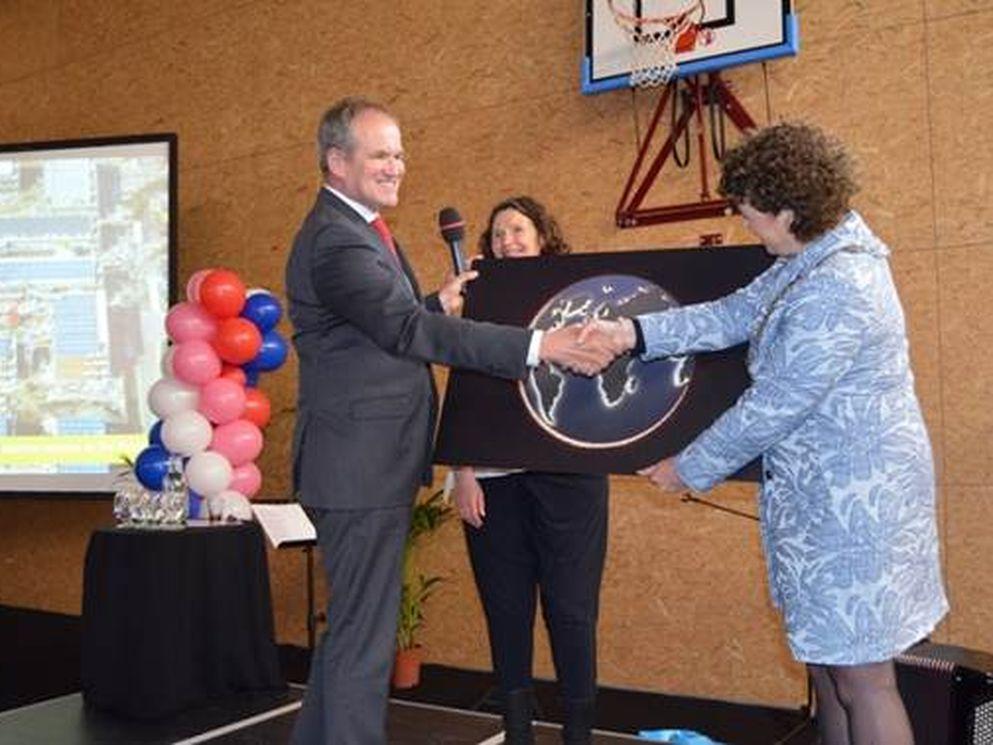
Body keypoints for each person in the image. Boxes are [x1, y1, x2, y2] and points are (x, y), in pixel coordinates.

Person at [587, 122, 948, 745]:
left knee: (865, 680)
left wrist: (688, 467)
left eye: (751, 217)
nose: (746, 229)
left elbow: (775, 406)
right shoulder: (812, 256)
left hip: (857, 511)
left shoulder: (841, 284)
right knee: (831, 670)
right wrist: (634, 334)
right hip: (824, 503)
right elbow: (734, 313)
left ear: (788, 211)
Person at [284, 98, 618, 745]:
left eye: (399, 153)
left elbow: (387, 320)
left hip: (365, 464)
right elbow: (408, 330)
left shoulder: (359, 229)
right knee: (363, 643)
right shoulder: (335, 238)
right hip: (355, 468)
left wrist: (435, 299)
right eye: (380, 154)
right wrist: (540, 346)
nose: (395, 167)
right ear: (336, 160)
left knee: (352, 632)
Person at [449, 196, 609, 745]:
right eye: (497, 234)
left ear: (543, 236)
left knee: (571, 610)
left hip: (570, 476)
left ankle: (577, 736)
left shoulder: (579, 297)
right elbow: (465, 389)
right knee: (506, 610)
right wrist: (463, 473)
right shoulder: (477, 297)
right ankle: (517, 732)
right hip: (493, 482)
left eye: (518, 230)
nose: (507, 241)